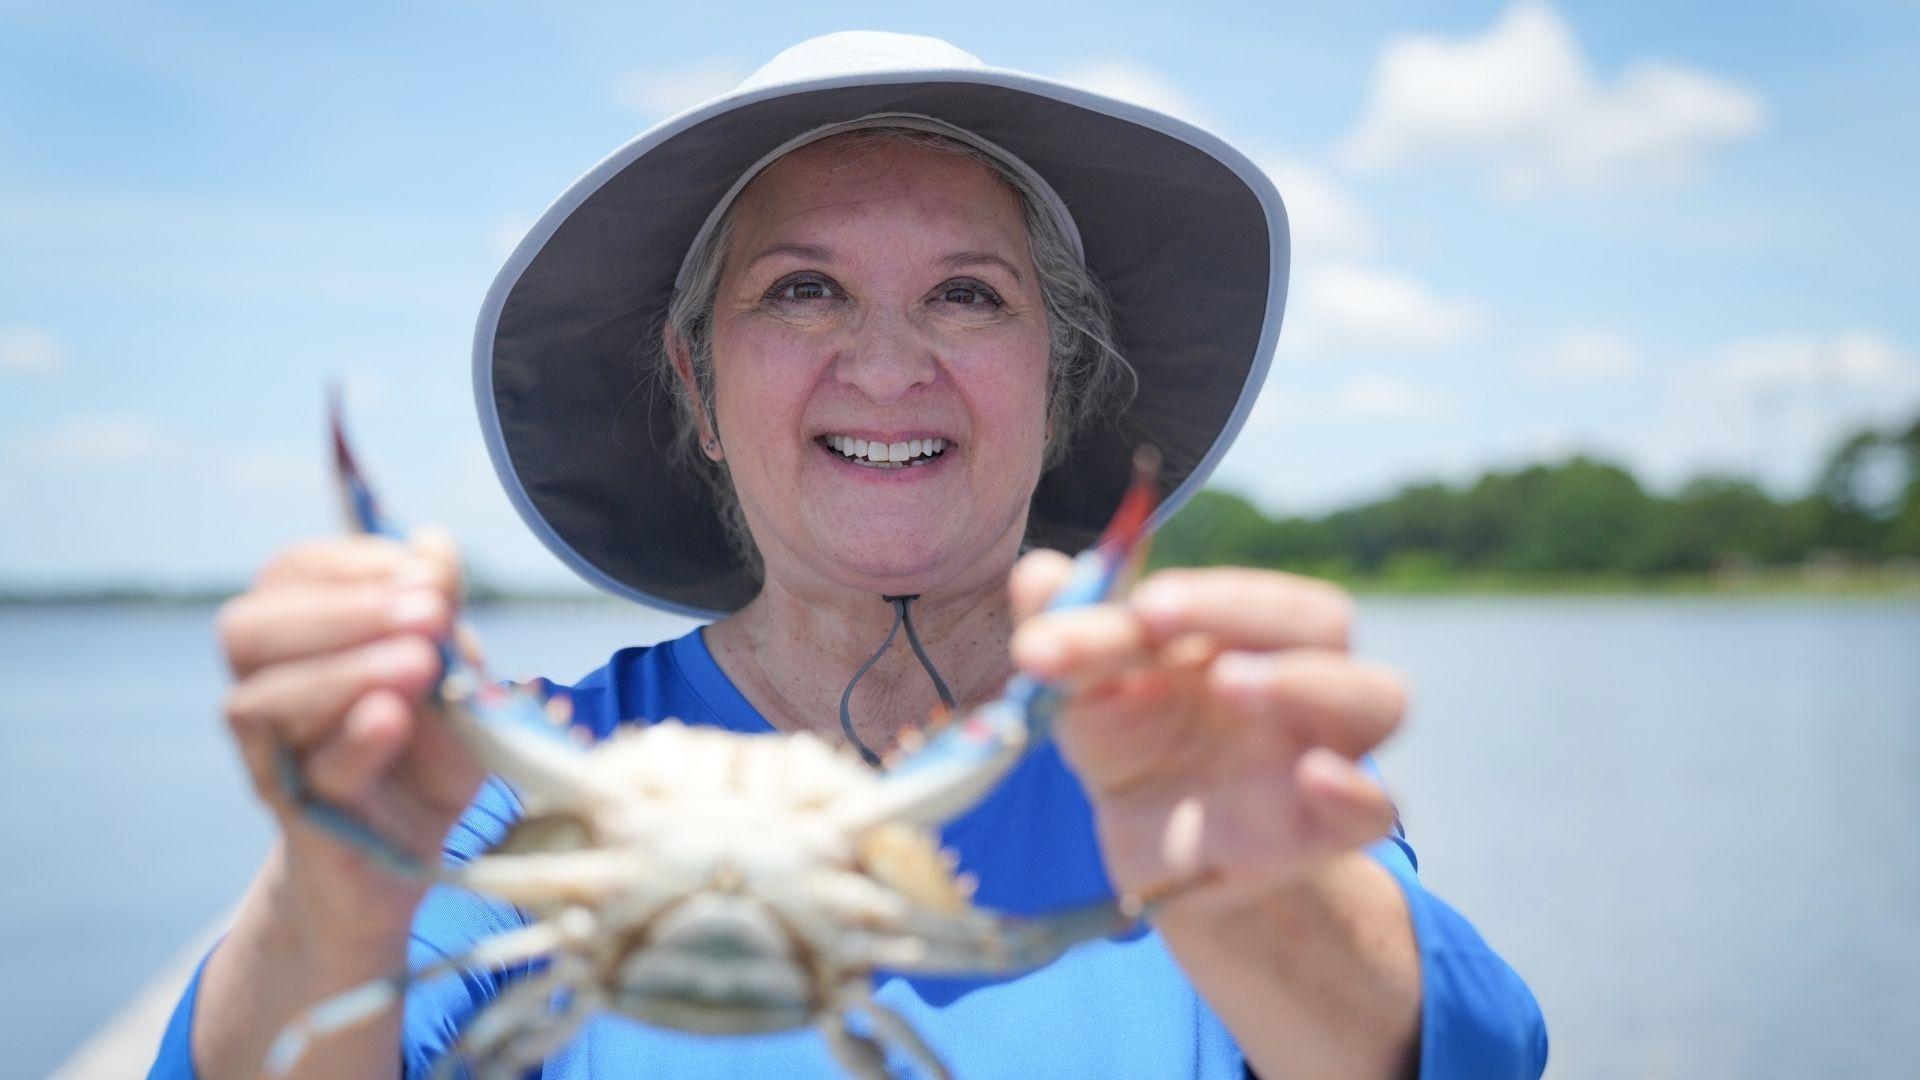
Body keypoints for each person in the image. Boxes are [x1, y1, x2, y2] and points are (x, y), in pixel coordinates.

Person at [152, 31, 1546, 1080]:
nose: (886, 363)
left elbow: (1474, 1051)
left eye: (967, 294)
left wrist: (1270, 902)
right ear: (695, 385)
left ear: (1058, 383)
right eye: (802, 289)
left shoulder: (1192, 767)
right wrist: (334, 895)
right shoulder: (500, 794)